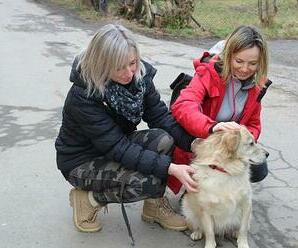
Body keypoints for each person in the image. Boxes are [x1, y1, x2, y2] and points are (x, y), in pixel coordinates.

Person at [54, 24, 198, 241]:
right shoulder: (83, 95)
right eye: (119, 67)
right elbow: (117, 148)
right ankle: (89, 200)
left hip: (114, 145)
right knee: (146, 182)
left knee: (164, 139)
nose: (129, 73)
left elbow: (160, 117)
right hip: (80, 161)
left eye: (132, 63)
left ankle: (153, 206)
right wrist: (170, 168)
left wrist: (193, 144)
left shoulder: (139, 76)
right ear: (101, 64)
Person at [168, 25, 270, 194]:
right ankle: (199, 183)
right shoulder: (209, 72)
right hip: (202, 141)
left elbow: (253, 124)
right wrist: (212, 126)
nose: (245, 69)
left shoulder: (257, 86)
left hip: (230, 145)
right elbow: (183, 105)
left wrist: (242, 141)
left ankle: (219, 186)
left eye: (253, 63)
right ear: (229, 55)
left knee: (259, 169)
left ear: (261, 62)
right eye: (239, 61)